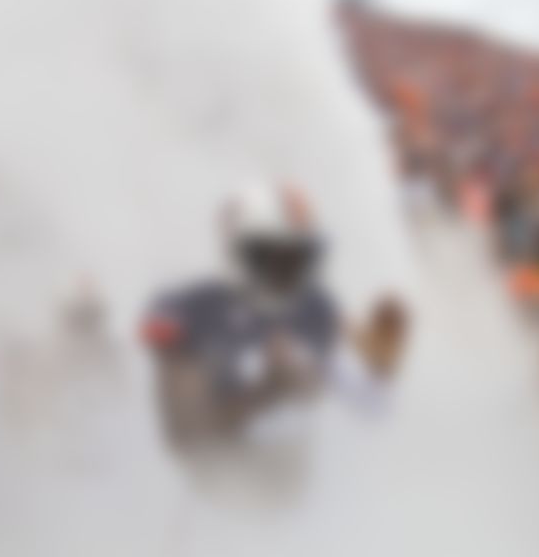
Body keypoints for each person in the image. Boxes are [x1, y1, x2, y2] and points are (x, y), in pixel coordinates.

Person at [141, 182, 400, 452]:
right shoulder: (194, 302)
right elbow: (156, 338)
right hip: (206, 440)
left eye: (297, 253)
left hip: (281, 455)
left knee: (293, 361)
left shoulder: (314, 307)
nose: (286, 265)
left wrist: (378, 373)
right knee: (183, 366)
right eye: (272, 253)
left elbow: (364, 395)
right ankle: (209, 469)